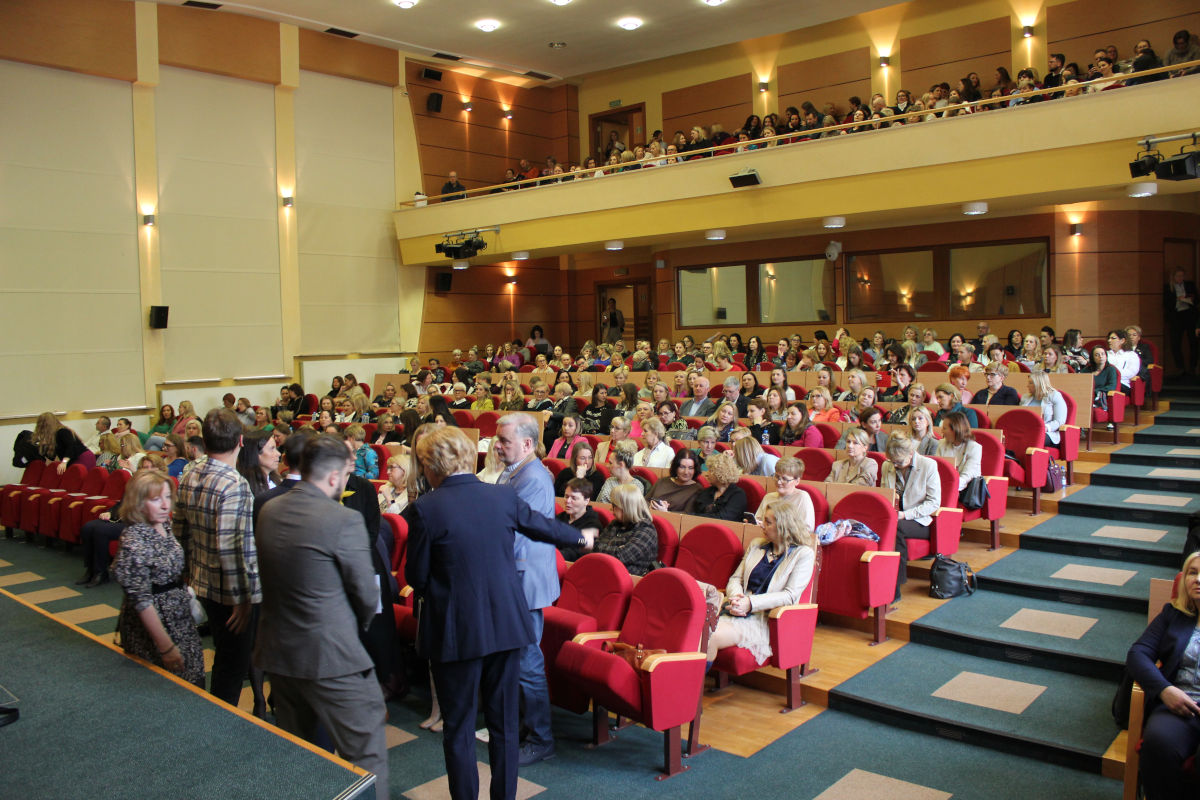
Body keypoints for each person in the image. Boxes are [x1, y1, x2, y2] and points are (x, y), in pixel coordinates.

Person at [406, 427, 593, 800]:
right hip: (507, 626)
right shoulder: (502, 497)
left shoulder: (425, 509)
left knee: (458, 728)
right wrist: (580, 538)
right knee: (504, 724)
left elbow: (417, 577)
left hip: (454, 632)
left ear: (430, 465)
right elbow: (542, 528)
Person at [254, 434, 389, 796]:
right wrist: (353, 628)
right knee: (367, 755)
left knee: (302, 757)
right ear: (333, 477)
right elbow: (366, 595)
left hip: (279, 654)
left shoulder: (268, 509)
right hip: (332, 656)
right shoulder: (342, 519)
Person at [492, 413, 572, 766]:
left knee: (527, 661)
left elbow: (516, 532)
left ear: (526, 443)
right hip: (514, 578)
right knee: (517, 659)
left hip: (524, 580)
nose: (496, 445)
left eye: (504, 440)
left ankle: (541, 738)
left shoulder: (534, 478)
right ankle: (524, 729)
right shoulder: (514, 470)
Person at [176, 408, 260, 707]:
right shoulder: (234, 484)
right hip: (229, 591)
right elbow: (232, 547)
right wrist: (242, 600)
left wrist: (186, 572)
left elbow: (180, 529)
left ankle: (218, 712)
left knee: (223, 655)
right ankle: (222, 723)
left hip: (202, 580)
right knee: (232, 665)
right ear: (240, 441)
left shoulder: (189, 473)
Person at [111, 470, 205, 687]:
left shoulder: (164, 524)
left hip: (180, 617)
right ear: (138, 503)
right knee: (166, 688)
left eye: (168, 497)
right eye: (155, 499)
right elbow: (142, 601)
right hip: (155, 625)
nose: (165, 505)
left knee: (193, 681)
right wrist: (166, 646)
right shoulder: (134, 540)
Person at [1125, 550, 1200, 800]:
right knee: (1158, 744)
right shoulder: (1173, 615)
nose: (1198, 579)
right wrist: (1165, 690)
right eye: (1193, 573)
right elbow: (1138, 653)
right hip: (1180, 705)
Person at [707, 500, 816, 665]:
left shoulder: (803, 554)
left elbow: (790, 596)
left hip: (764, 620)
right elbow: (736, 579)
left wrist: (750, 603)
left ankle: (688, 690)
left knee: (709, 636)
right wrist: (737, 597)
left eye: (768, 522)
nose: (762, 525)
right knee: (695, 631)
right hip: (736, 610)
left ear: (783, 526)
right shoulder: (757, 545)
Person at [880, 432, 941, 604]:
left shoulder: (928, 465)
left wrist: (905, 515)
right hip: (895, 516)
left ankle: (895, 586)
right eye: (893, 461)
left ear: (911, 453)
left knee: (896, 528)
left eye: (899, 462)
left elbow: (933, 503)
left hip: (920, 519)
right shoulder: (887, 465)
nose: (896, 466)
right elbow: (886, 495)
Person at [590, 483, 659, 576]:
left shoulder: (647, 530)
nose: (611, 509)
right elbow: (595, 548)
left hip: (630, 582)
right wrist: (617, 548)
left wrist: (607, 549)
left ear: (626, 507)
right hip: (605, 574)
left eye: (614, 505)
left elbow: (620, 557)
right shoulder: (615, 524)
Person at [755, 457, 815, 530]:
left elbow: (807, 529)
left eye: (784, 479)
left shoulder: (802, 497)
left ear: (797, 481)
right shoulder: (768, 497)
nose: (778, 482)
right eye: (777, 476)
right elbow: (758, 520)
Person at [690, 451, 747, 520]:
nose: (707, 474)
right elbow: (695, 512)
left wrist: (696, 517)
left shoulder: (738, 495)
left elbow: (723, 518)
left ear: (720, 473)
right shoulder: (707, 492)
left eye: (710, 471)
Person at [1021, 370, 1069, 449]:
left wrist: (1044, 428)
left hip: (1048, 433)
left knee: (1032, 438)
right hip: (1027, 430)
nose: (1027, 386)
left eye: (1030, 383)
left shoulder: (1054, 395)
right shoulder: (1025, 397)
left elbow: (1059, 421)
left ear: (1038, 384)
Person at [647, 448, 705, 513]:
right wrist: (651, 506)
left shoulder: (697, 489)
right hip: (649, 516)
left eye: (690, 468)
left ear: (695, 469)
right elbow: (645, 501)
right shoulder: (662, 481)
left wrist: (665, 512)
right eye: (682, 467)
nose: (686, 472)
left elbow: (688, 514)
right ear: (676, 467)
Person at [1164, 267, 1198, 377]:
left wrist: (1188, 298)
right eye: (1178, 276)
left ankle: (1192, 367)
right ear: (1173, 277)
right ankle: (1180, 367)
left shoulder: (1189, 285)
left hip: (1189, 315)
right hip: (1176, 316)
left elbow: (1197, 298)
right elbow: (1166, 303)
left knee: (1193, 342)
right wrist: (1177, 299)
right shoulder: (1169, 287)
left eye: (1182, 276)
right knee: (1176, 343)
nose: (1180, 278)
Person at [937, 412, 982, 491]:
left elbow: (967, 477)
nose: (942, 432)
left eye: (944, 428)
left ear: (955, 429)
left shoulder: (974, 448)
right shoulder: (941, 444)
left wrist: (949, 487)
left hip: (965, 490)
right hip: (943, 486)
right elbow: (937, 470)